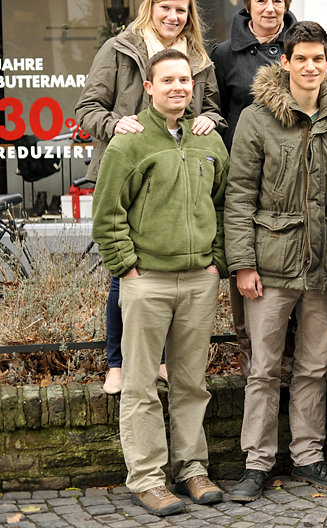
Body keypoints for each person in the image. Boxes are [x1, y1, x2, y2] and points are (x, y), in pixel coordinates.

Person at [225, 21, 327, 501]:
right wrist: (243, 264)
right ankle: (256, 463)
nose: (309, 66)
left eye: (317, 58)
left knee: (313, 366)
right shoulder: (256, 117)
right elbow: (239, 196)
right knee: (263, 369)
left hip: (324, 264)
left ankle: (308, 456)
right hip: (271, 264)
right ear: (284, 62)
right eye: (300, 58)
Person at [91, 48, 228, 517]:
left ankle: (192, 469)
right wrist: (127, 267)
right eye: (167, 80)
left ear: (193, 87)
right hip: (146, 280)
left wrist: (216, 262)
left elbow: (225, 204)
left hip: (199, 281)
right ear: (149, 87)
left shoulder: (210, 140)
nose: (177, 87)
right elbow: (107, 214)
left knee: (191, 382)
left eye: (184, 80)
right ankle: (148, 478)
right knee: (141, 385)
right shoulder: (129, 143)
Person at [76, 0, 225, 396]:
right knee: (125, 272)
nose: (173, 16)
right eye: (166, 7)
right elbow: (87, 107)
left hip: (179, 171)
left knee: (164, 270)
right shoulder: (120, 48)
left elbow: (213, 109)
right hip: (127, 167)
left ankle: (158, 360)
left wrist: (208, 119)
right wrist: (114, 123)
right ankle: (118, 363)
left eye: (182, 9)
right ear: (151, 7)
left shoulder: (199, 57)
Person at [210, 0, 298, 380]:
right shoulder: (224, 54)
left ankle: (290, 383)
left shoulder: (302, 47)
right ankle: (256, 380)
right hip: (245, 179)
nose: (269, 7)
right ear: (248, 4)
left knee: (291, 292)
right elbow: (214, 114)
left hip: (292, 181)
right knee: (248, 277)